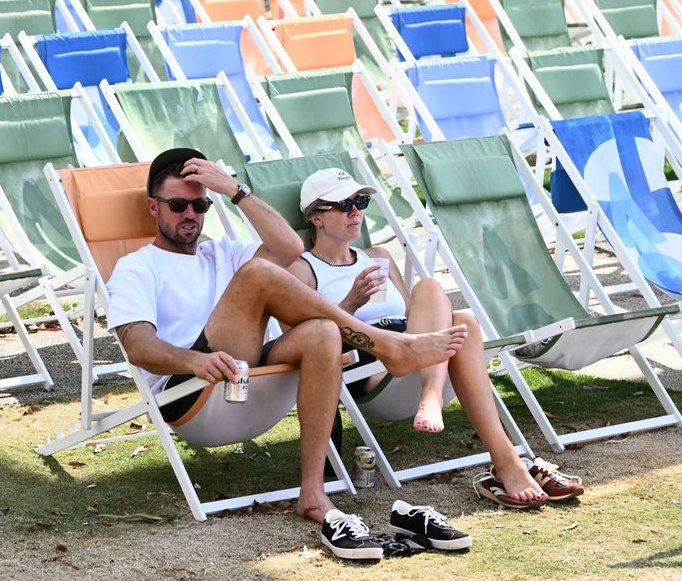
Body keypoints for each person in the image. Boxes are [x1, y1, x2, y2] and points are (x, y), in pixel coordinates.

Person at [103, 148, 468, 557]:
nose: (190, 214)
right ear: (154, 207)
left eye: (200, 205)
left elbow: (291, 248)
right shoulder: (137, 266)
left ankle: (313, 492)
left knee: (323, 332)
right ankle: (387, 345)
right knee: (259, 273)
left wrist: (234, 190)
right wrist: (195, 360)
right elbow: (137, 345)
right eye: (177, 205)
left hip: (252, 376)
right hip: (194, 389)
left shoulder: (221, 252)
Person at [287, 166, 581, 512]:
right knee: (463, 325)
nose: (356, 212)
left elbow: (417, 314)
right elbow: (309, 343)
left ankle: (439, 401)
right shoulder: (303, 270)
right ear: (317, 218)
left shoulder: (378, 257)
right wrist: (350, 303)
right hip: (369, 365)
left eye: (360, 202)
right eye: (344, 205)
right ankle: (508, 462)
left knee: (442, 300)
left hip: (414, 350)